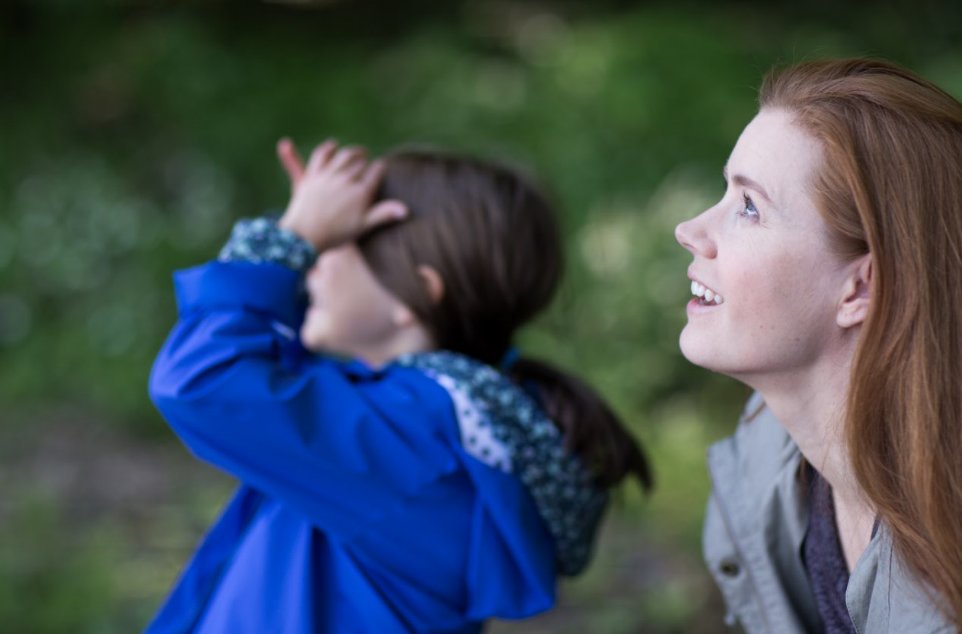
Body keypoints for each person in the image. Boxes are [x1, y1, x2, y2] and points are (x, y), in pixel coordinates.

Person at [146, 139, 651, 633]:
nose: (313, 262)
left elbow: (201, 379)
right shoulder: (442, 427)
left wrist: (292, 238)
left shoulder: (418, 443)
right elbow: (268, 371)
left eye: (340, 243)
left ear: (417, 291)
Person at [675, 57, 962, 633]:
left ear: (859, 287)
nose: (690, 230)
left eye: (749, 207)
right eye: (725, 191)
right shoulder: (764, 454)